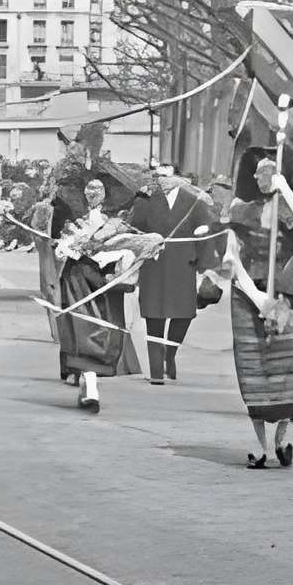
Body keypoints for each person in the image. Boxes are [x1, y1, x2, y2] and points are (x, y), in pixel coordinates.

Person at [219, 150, 293, 465]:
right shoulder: (238, 211)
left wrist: (287, 191)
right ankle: (260, 445)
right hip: (250, 296)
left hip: (290, 298)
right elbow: (230, 259)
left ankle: (281, 439)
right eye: (260, 171)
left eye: (271, 171)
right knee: (256, 373)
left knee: (290, 371)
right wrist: (257, 297)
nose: (264, 177)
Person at [50, 163, 145, 414]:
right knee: (82, 330)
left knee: (102, 333)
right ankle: (89, 385)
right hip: (76, 280)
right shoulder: (73, 221)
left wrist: (115, 255)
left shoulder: (115, 223)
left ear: (106, 194)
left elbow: (127, 248)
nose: (93, 192)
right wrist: (69, 247)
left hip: (103, 283)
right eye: (89, 188)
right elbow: (59, 251)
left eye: (98, 188)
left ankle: (89, 382)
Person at [128, 160, 215, 386]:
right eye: (159, 176)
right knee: (154, 315)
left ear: (178, 178)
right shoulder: (144, 201)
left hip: (184, 265)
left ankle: (170, 354)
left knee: (183, 314)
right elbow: (134, 230)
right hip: (154, 265)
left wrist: (205, 266)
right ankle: (156, 370)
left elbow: (208, 232)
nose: (162, 181)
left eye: (167, 176)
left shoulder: (193, 202)